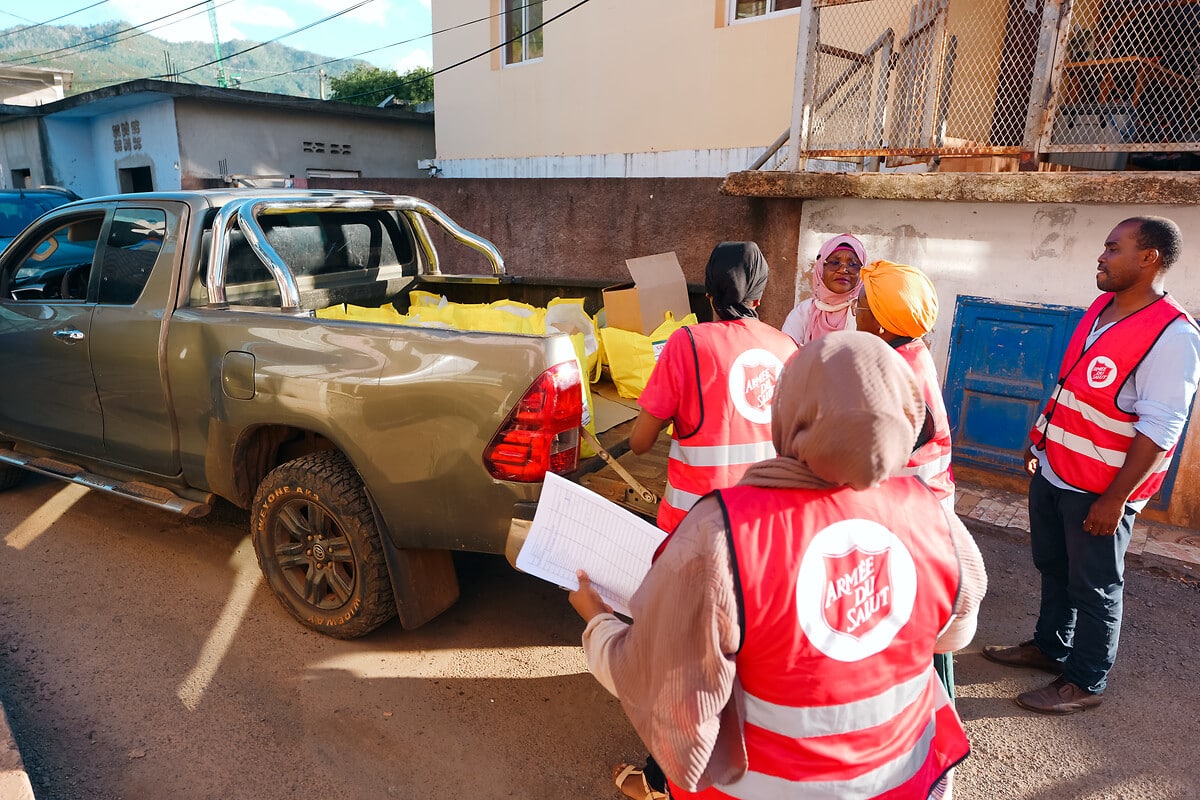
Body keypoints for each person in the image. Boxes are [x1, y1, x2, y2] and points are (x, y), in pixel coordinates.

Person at [571, 331, 987, 799]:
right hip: (910, 779)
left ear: (787, 411)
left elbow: (665, 685)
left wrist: (598, 622)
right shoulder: (933, 515)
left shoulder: (721, 536)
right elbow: (954, 632)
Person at [983, 216, 1200, 714]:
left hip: (1101, 490)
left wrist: (1115, 499)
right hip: (1057, 470)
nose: (1101, 256)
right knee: (1053, 566)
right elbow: (1074, 387)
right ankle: (1049, 647)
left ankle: (1084, 681)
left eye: (1112, 248)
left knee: (1096, 587)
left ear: (1149, 259)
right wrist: (1038, 438)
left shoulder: (1173, 336)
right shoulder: (1102, 308)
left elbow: (1161, 429)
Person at [630, 241, 799, 535]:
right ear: (758, 298)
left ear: (708, 292)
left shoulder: (686, 343)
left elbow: (639, 443)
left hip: (692, 527)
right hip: (762, 524)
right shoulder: (787, 347)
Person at [854, 260, 955, 513]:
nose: (854, 312)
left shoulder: (890, 373)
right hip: (924, 497)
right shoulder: (913, 350)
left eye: (859, 305)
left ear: (880, 323)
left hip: (908, 511)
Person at [781, 233, 866, 346]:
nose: (843, 270)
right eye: (835, 262)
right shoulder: (804, 311)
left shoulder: (864, 314)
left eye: (853, 264)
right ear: (821, 268)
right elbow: (787, 350)